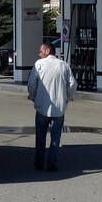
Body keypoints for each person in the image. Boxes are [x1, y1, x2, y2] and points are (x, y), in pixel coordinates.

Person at [27, 41, 76, 171]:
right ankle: (51, 163)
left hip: (42, 107)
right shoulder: (64, 65)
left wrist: (33, 97)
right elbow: (72, 84)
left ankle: (39, 162)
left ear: (48, 51)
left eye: (40, 51)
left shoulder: (39, 64)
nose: (39, 54)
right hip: (59, 109)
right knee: (56, 137)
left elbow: (31, 83)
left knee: (40, 136)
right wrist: (68, 97)